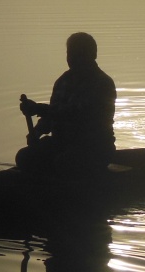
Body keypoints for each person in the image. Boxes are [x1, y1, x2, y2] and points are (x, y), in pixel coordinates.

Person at [16, 32, 116, 175]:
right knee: (24, 157)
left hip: (94, 147)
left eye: (78, 54)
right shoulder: (63, 80)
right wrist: (37, 132)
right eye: (70, 53)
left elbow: (77, 114)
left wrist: (39, 108)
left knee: (64, 162)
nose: (72, 58)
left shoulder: (102, 83)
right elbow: (52, 116)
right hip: (61, 143)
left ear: (91, 55)